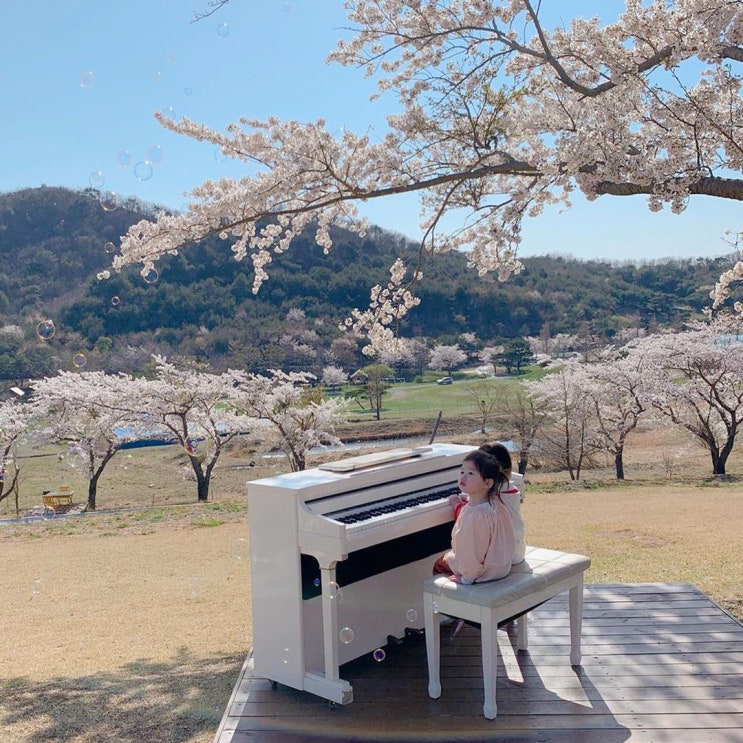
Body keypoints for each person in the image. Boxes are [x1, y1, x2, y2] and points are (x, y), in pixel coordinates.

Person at [433, 450, 515, 584]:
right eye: (462, 472)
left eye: (470, 473)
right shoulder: (496, 503)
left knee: (439, 564)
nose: (463, 478)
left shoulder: (476, 516)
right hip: (500, 567)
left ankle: (447, 602)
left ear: (487, 483)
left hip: (482, 573)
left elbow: (469, 552)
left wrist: (467, 578)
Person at [479, 442, 526, 565]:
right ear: (509, 469)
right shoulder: (514, 488)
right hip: (518, 553)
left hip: (497, 561)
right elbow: (520, 500)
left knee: (441, 563)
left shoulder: (482, 493)